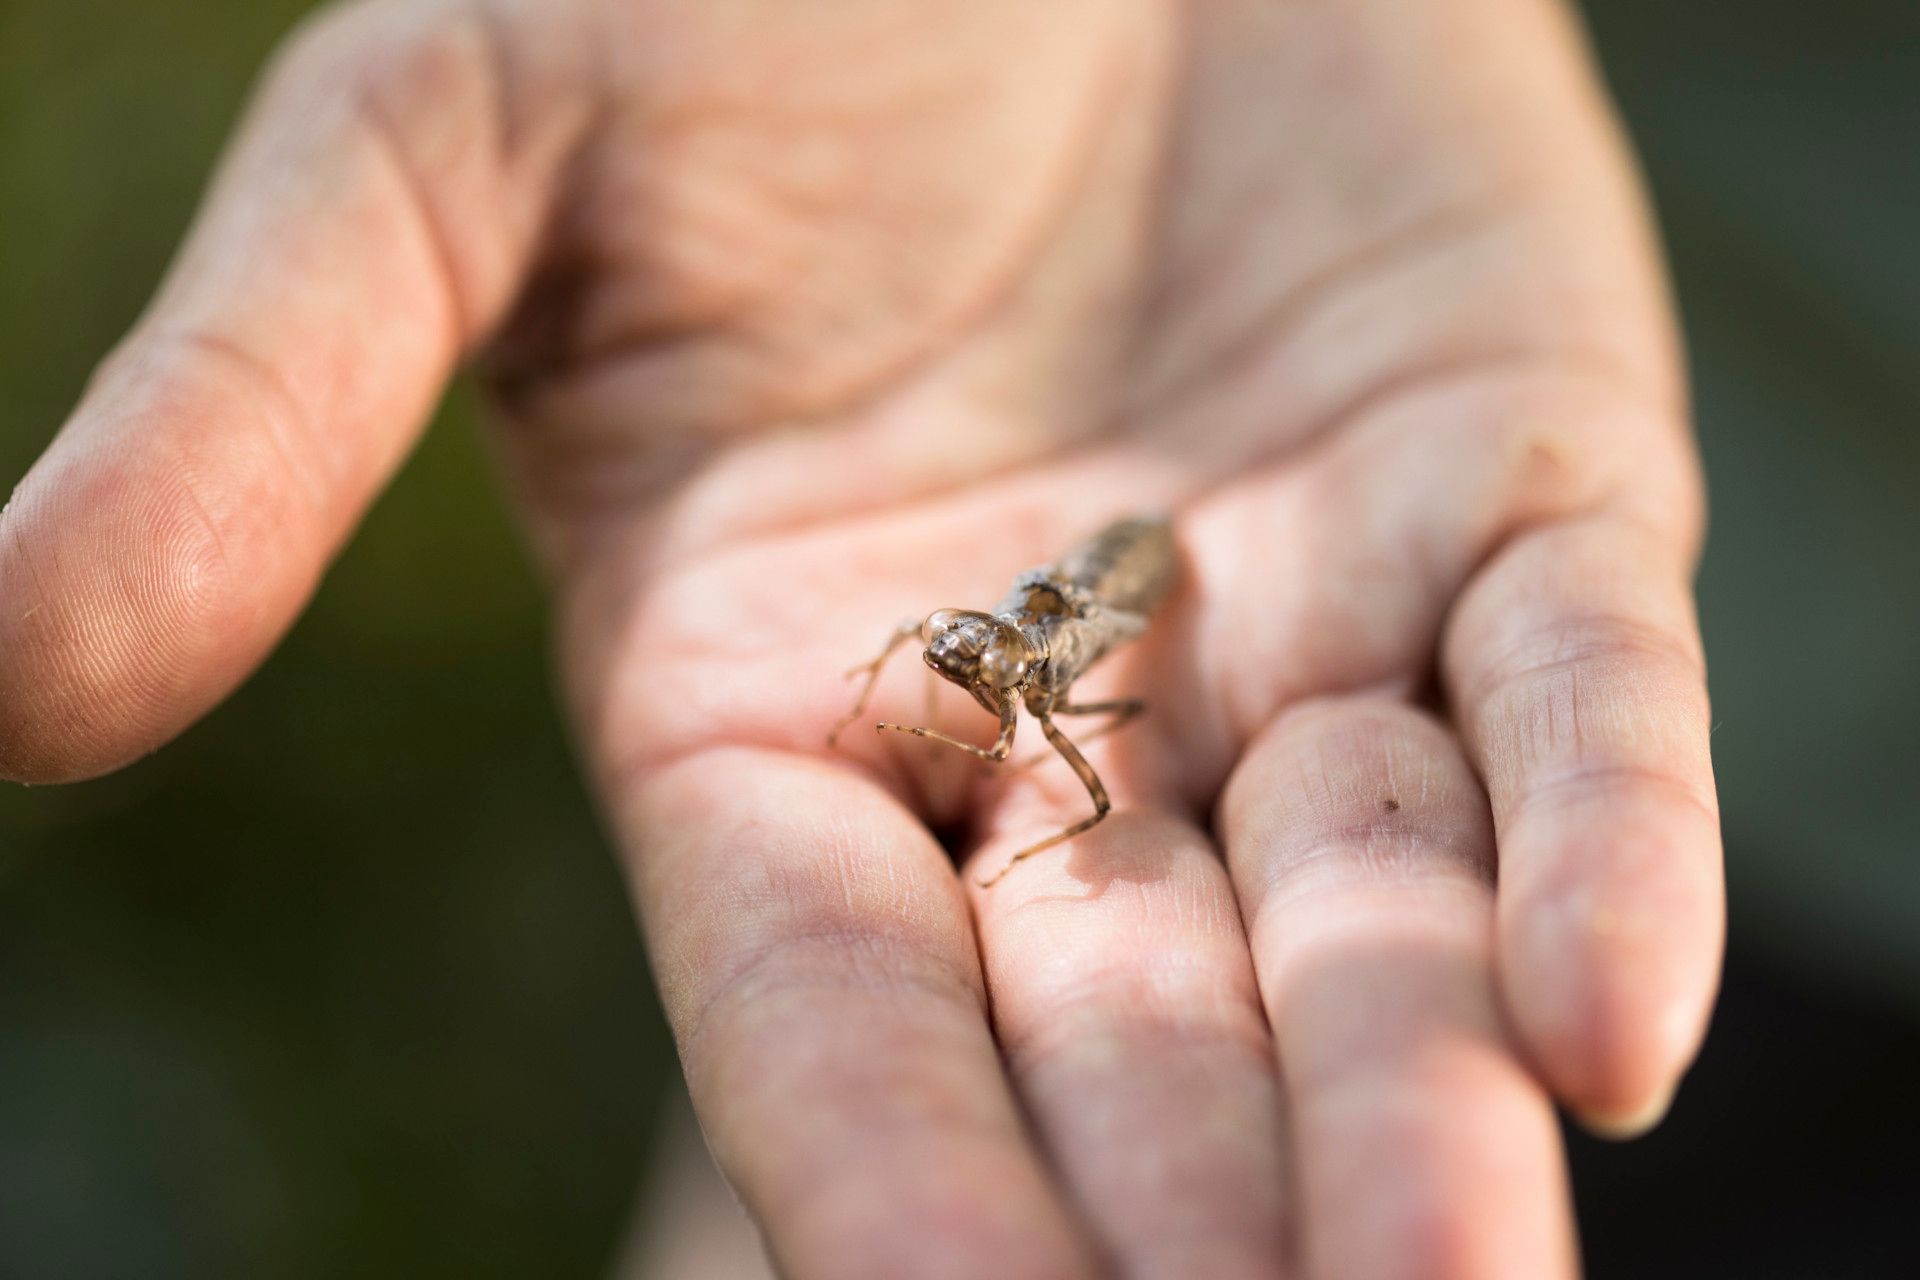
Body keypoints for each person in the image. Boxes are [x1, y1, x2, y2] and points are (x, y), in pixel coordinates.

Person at [0, 1, 1721, 1275]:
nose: (961, 674)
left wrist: (1036, 764)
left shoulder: (1058, 682)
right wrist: (909, 699)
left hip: (1214, 598)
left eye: (973, 670)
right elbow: (969, 670)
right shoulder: (992, 650)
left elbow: (1080, 774)